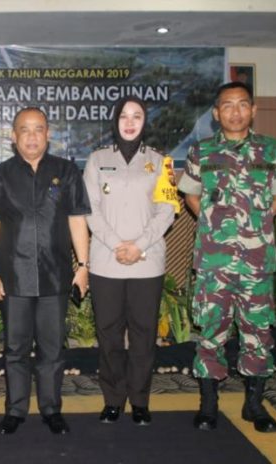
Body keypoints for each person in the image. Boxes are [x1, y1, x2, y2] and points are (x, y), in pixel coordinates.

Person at [177, 81, 276, 433]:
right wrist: (217, 226)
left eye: (242, 104)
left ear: (253, 110)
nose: (234, 111)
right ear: (216, 113)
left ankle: (254, 405)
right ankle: (209, 405)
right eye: (227, 106)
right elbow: (191, 197)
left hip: (257, 262)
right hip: (215, 262)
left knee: (257, 333)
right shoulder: (202, 152)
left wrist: (254, 226)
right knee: (211, 332)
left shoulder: (271, 150)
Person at [0, 107, 91, 435]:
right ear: (13, 137)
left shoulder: (67, 171)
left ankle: (51, 409)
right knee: (15, 348)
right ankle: (15, 411)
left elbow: (77, 220)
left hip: (55, 275)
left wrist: (83, 267)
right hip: (12, 276)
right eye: (24, 130)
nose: (31, 136)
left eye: (38, 129)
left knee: (52, 348)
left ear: (48, 134)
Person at [82, 96, 179, 426]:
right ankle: (112, 400)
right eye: (124, 115)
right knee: (109, 335)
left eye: (137, 115)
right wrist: (116, 244)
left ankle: (139, 401)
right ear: (115, 120)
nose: (129, 121)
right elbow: (90, 210)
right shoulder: (96, 160)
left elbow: (166, 211)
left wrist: (137, 246)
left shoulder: (160, 162)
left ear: (145, 122)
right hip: (105, 262)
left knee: (143, 334)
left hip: (147, 262)